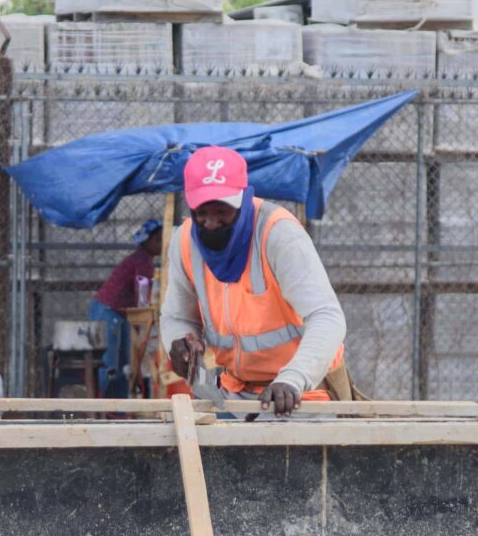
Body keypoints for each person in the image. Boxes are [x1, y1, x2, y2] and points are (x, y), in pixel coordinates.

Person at [162, 146, 352, 414]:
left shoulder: (278, 235)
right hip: (234, 394)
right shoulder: (185, 241)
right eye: (201, 212)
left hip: (304, 394)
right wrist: (180, 341)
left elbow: (327, 316)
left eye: (222, 211)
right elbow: (176, 316)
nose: (211, 223)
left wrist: (293, 379)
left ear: (242, 201)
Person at [88, 218, 163, 398]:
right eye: (158, 240)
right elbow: (142, 292)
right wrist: (144, 313)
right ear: (146, 241)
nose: (161, 244)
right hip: (109, 311)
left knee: (121, 364)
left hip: (115, 312)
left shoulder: (142, 258)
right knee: (110, 363)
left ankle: (116, 406)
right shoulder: (143, 260)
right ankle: (100, 405)